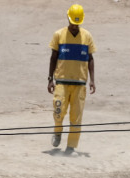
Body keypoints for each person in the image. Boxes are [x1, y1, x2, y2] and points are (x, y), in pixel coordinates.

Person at [47, 4, 97, 155]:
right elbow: (53, 57)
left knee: (76, 117)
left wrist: (92, 80)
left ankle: (71, 147)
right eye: (73, 23)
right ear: (68, 18)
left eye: (77, 23)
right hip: (61, 81)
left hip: (80, 83)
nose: (75, 26)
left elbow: (90, 58)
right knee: (58, 111)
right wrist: (50, 79)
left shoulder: (87, 36)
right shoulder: (58, 34)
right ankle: (57, 132)